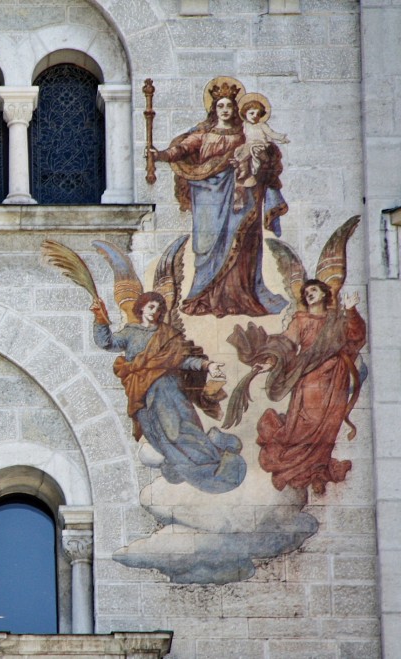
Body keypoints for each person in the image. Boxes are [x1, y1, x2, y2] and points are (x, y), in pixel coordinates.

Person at [148, 78, 287, 318]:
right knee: (207, 244)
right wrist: (159, 154)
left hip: (241, 198)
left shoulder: (246, 133)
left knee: (242, 244)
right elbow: (181, 150)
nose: (225, 109)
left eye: (229, 106)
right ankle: (204, 297)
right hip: (208, 197)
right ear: (214, 109)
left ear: (236, 110)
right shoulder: (203, 134)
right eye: (221, 105)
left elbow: (263, 155)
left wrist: (262, 157)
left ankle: (239, 297)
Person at [91, 293, 247, 494]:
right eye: (150, 307)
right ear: (141, 308)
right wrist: (100, 318)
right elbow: (107, 343)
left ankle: (212, 461)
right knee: (159, 438)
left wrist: (207, 365)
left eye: (157, 308)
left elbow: (181, 361)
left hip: (169, 391)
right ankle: (199, 465)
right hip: (143, 395)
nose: (154, 311)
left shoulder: (168, 334)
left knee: (181, 431)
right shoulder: (130, 333)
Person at [235, 281, 365, 494]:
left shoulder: (337, 320)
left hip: (336, 378)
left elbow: (357, 337)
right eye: (306, 292)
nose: (309, 294)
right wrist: (269, 362)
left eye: (313, 290)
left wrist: (351, 311)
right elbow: (286, 344)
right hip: (311, 377)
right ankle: (300, 468)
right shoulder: (301, 320)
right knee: (309, 422)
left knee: (329, 427)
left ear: (324, 293)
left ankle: (317, 471)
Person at [234, 93, 289, 189]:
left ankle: (255, 170)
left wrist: (281, 137)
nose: (255, 116)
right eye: (252, 113)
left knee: (254, 152)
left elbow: (271, 133)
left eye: (258, 114)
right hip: (249, 145)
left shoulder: (262, 125)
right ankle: (244, 171)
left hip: (260, 145)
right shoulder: (244, 125)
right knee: (241, 153)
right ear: (245, 113)